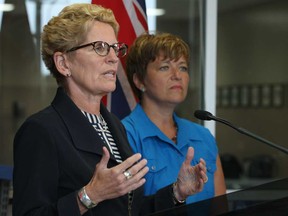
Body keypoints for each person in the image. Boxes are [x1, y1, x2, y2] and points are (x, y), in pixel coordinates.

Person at [12, 4, 208, 216]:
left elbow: (129, 209)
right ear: (63, 63)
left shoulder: (113, 124)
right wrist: (89, 195)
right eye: (100, 47)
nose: (114, 58)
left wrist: (176, 192)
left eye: (115, 48)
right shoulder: (41, 130)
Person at [122, 32, 226, 204]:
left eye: (183, 67)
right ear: (140, 81)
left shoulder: (203, 136)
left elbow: (220, 207)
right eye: (164, 67)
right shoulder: (124, 134)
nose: (177, 75)